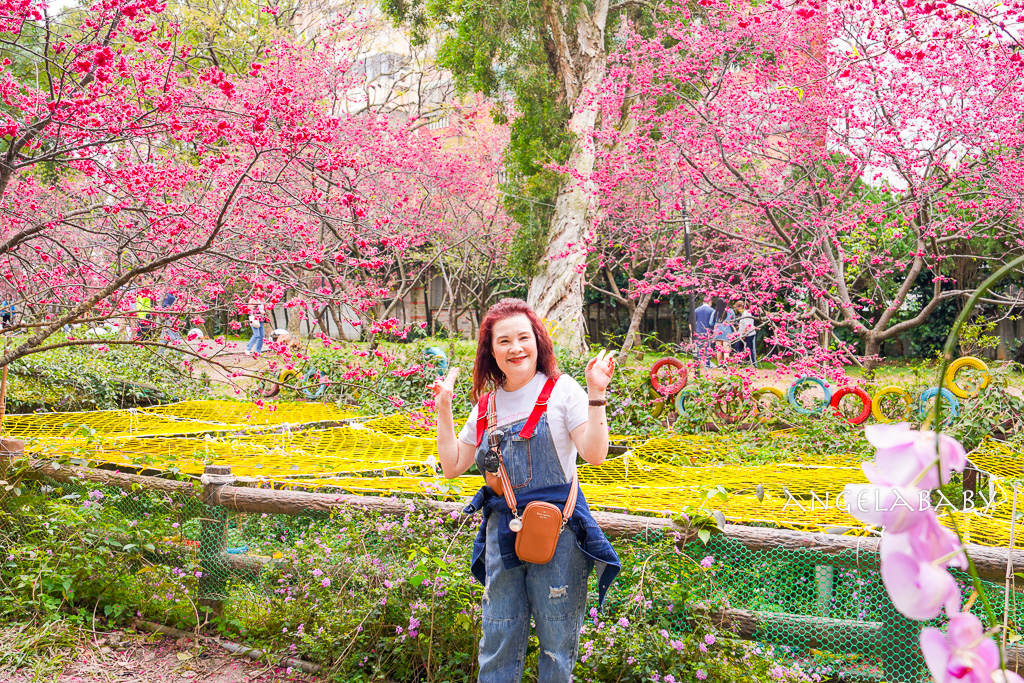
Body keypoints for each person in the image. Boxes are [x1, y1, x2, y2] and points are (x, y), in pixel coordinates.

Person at [430, 298, 620, 683]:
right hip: (503, 536)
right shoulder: (486, 406)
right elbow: (452, 466)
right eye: (504, 341)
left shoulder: (563, 390)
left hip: (559, 537)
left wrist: (597, 392)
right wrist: (444, 408)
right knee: (498, 638)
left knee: (556, 644)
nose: (515, 348)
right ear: (491, 352)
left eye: (523, 337)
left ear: (537, 341)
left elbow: (595, 454)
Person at [692, 295, 716, 368]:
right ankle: (707, 364)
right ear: (710, 302)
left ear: (703, 302)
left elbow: (694, 321)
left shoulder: (696, 310)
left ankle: (698, 362)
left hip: (698, 330)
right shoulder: (712, 310)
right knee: (708, 348)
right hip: (709, 331)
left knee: (699, 347)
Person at [711, 298, 735, 366]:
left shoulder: (715, 312)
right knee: (726, 348)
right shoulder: (730, 311)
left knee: (719, 349)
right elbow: (734, 321)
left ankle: (720, 364)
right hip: (727, 332)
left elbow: (711, 322)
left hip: (717, 332)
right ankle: (726, 363)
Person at [737, 301, 758, 366]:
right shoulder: (745, 313)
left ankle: (754, 364)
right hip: (744, 334)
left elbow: (748, 325)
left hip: (748, 334)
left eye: (737, 308)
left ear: (741, 307)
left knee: (751, 350)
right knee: (738, 347)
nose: (737, 310)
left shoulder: (746, 313)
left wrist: (744, 334)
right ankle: (739, 363)